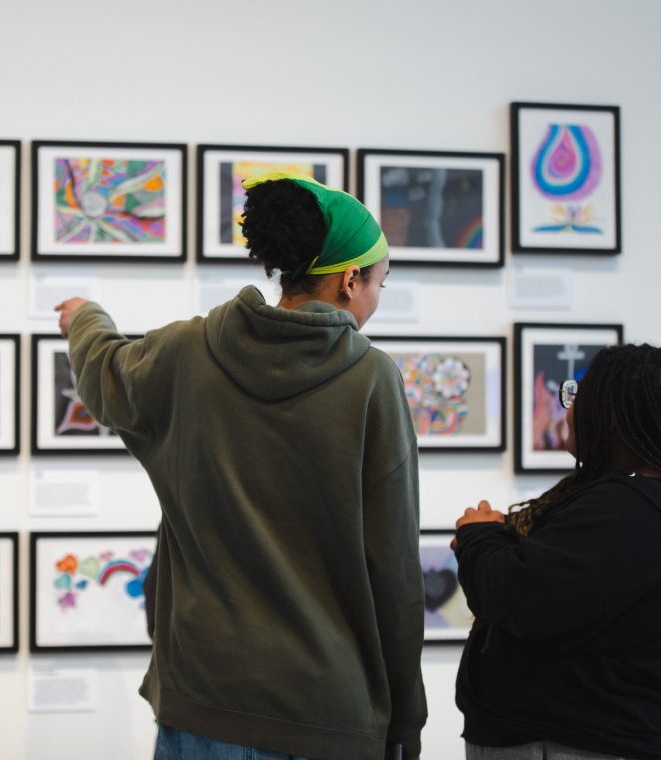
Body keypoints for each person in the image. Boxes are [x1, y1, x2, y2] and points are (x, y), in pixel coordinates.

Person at [55, 172, 427, 760]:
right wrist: (407, 717)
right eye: (380, 282)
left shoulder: (185, 351)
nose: (377, 297)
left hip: (202, 703)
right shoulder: (370, 380)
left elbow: (104, 374)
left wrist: (84, 319)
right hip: (324, 713)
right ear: (350, 280)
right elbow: (396, 570)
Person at [452, 344, 661, 760]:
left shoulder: (630, 510)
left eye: (579, 396)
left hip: (571, 746)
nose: (569, 409)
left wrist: (479, 535)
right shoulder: (656, 507)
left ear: (611, 418)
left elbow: (517, 595)